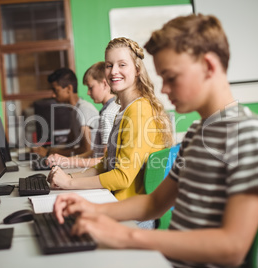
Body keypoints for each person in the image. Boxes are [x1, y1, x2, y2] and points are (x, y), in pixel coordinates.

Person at [52, 14, 258, 267]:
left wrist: (127, 235)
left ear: (209, 66)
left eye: (171, 77)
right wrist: (90, 209)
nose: (163, 89)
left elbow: (233, 249)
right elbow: (155, 202)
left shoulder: (249, 133)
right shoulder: (197, 134)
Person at [47, 37, 173, 202]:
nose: (113, 71)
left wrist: (69, 182)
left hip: (130, 207)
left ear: (137, 70)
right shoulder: (124, 109)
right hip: (117, 199)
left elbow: (122, 177)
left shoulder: (138, 111)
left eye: (122, 65)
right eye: (109, 65)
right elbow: (105, 165)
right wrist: (67, 177)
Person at [47, 62, 120, 168]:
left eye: (90, 87)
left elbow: (105, 160)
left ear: (105, 84)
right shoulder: (109, 110)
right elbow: (95, 152)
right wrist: (64, 159)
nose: (88, 93)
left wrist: (67, 161)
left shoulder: (108, 113)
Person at [31, 68, 99, 157]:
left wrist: (49, 153)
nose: (53, 95)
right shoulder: (74, 110)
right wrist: (46, 149)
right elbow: (69, 143)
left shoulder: (83, 109)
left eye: (56, 90)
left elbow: (86, 149)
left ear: (69, 88)